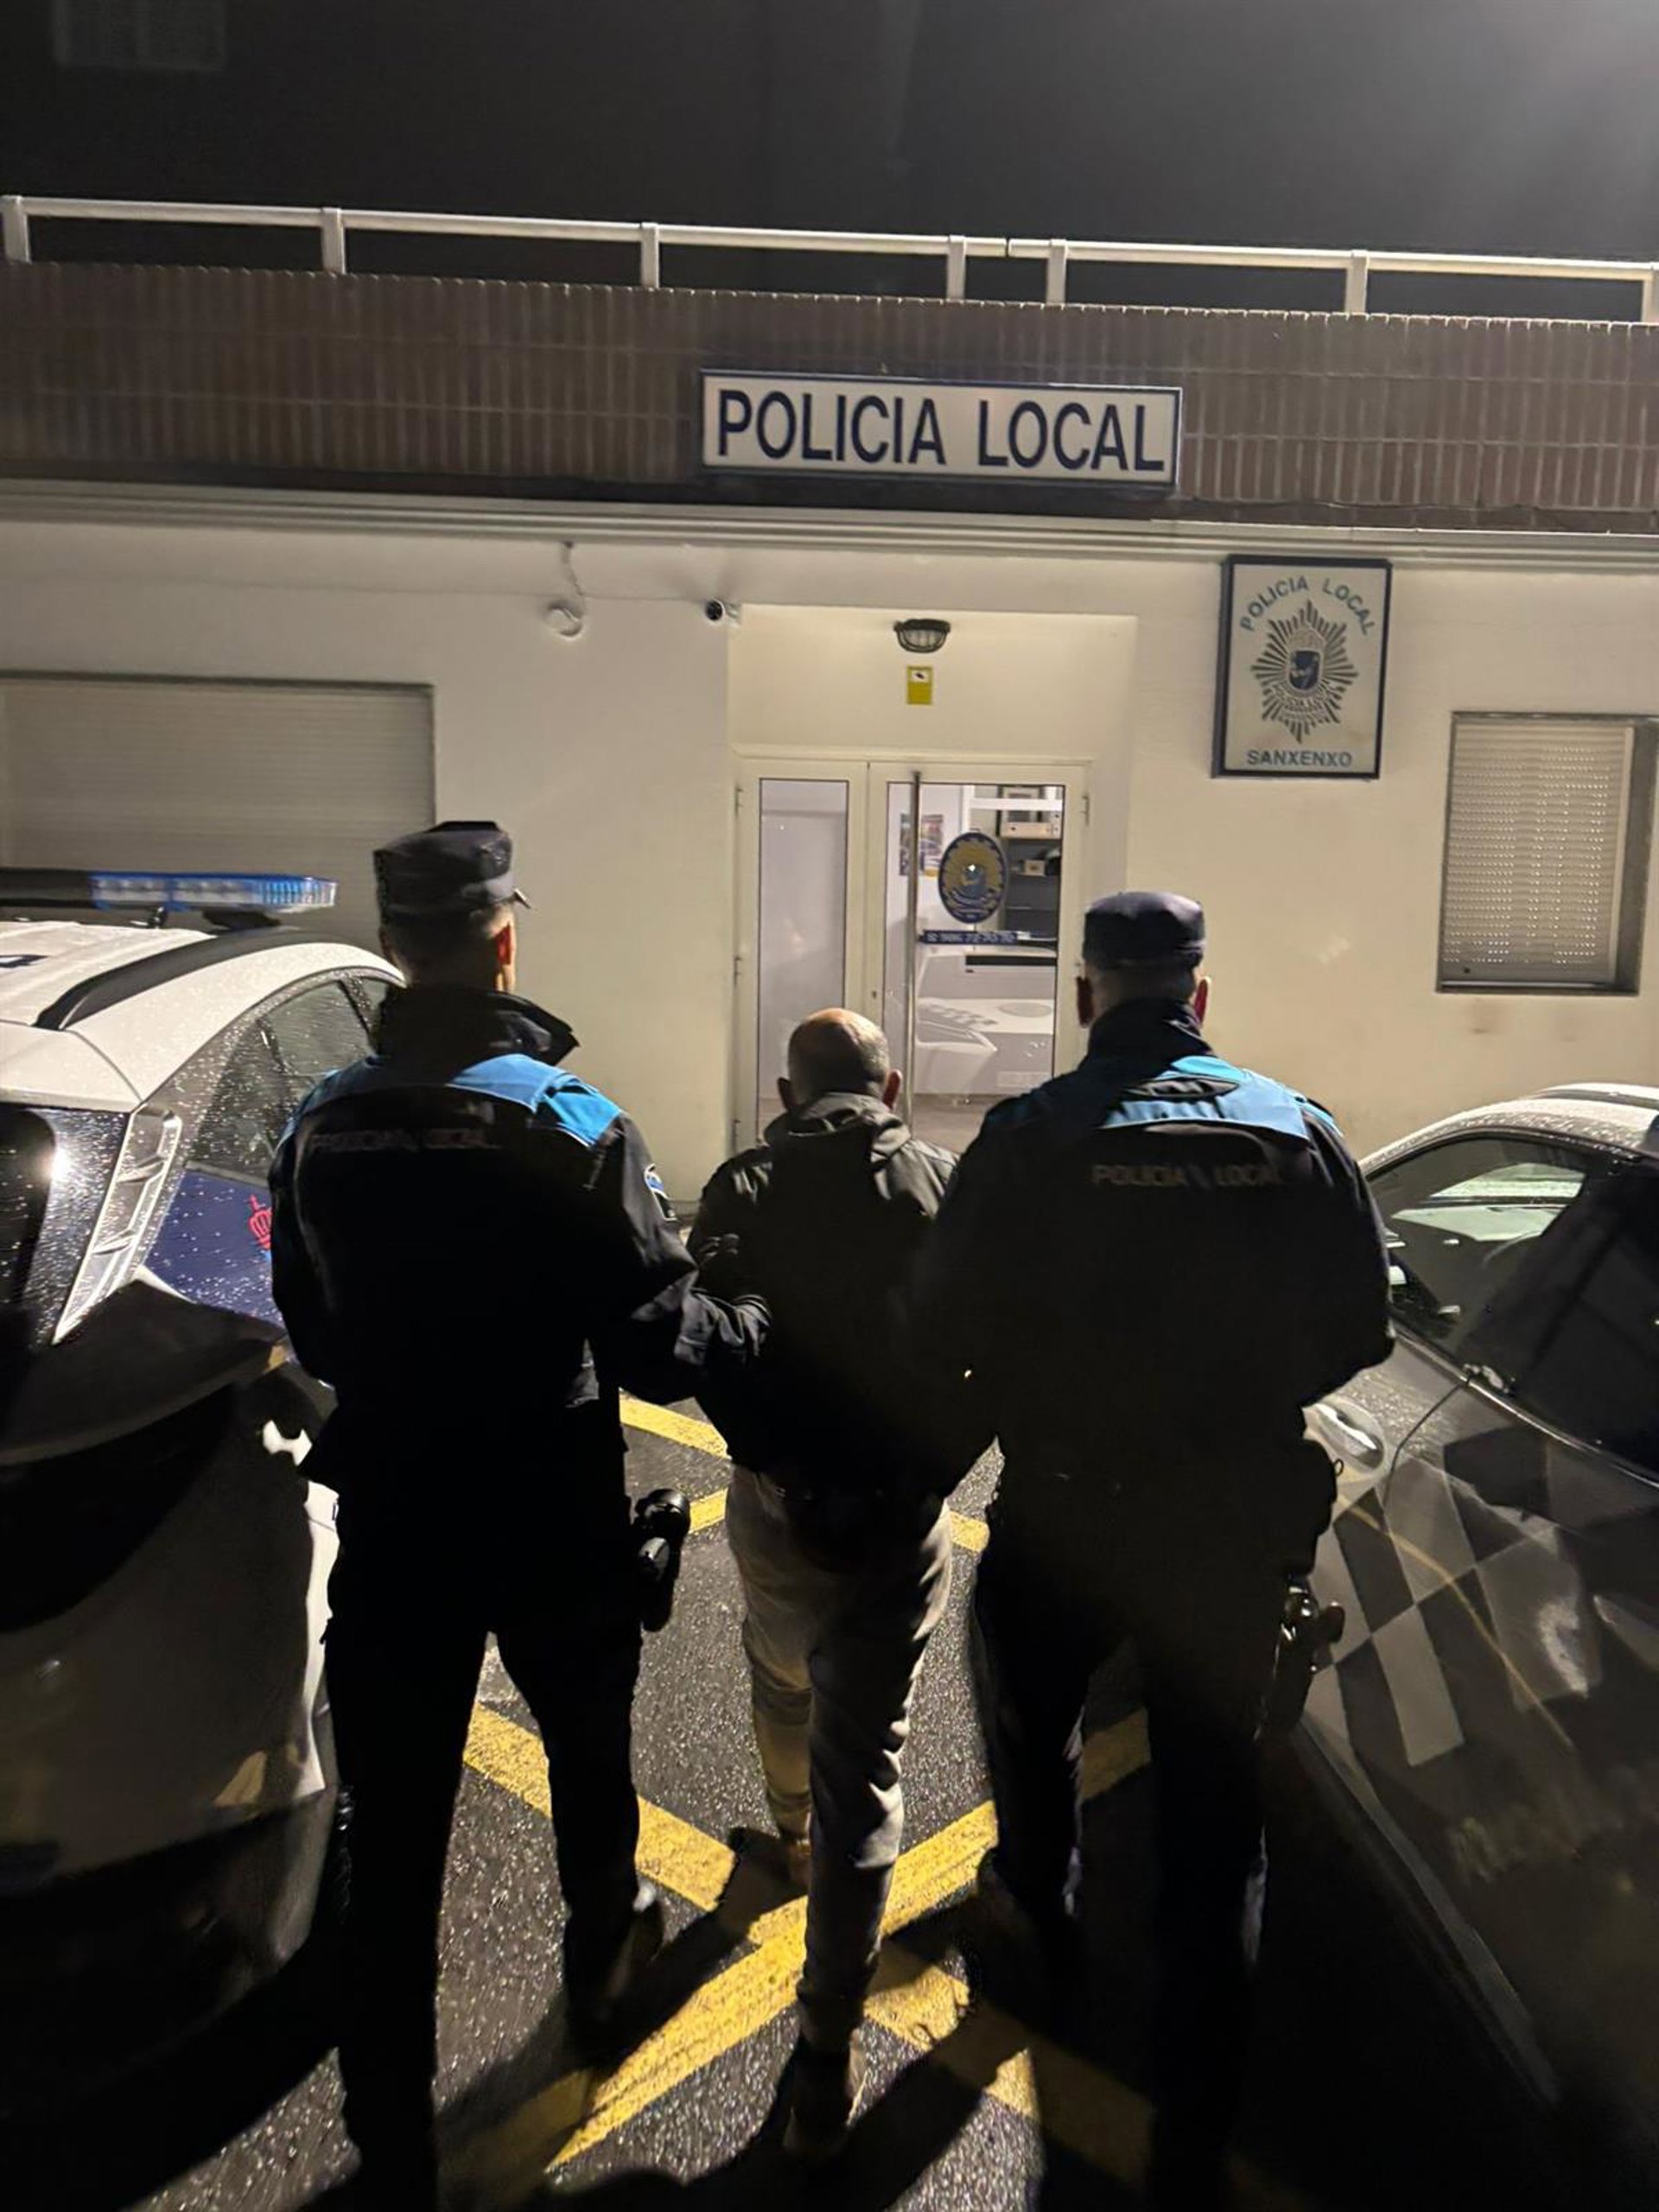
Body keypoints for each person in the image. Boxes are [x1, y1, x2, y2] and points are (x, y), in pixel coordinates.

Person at [268, 822, 766, 2210]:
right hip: (549, 1505)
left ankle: (392, 2141)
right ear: (503, 943)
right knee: (589, 1762)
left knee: (394, 1835)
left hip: (398, 1518)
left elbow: (313, 1323)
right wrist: (757, 1326)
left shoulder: (322, 1126)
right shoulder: (567, 1121)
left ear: (395, 946)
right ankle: (601, 1969)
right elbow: (660, 1346)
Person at [908, 893, 1390, 2209]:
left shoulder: (1029, 1137)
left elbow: (940, 1322)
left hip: (1065, 1505)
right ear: (1200, 997)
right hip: (1228, 1523)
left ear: (1087, 997)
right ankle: (1196, 2125)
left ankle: (1042, 1927)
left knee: (1031, 1731)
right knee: (1216, 1818)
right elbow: (1362, 1326)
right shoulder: (1297, 1132)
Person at [689, 1010, 987, 2160]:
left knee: (779, 1677)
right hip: (901, 1514)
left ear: (787, 1092)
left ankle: (788, 1834)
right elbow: (992, 1351)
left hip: (779, 1506)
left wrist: (771, 1461)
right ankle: (824, 2055)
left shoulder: (743, 1187)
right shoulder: (946, 1184)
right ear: (891, 1085)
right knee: (869, 1764)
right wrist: (927, 1472)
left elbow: (710, 1349)